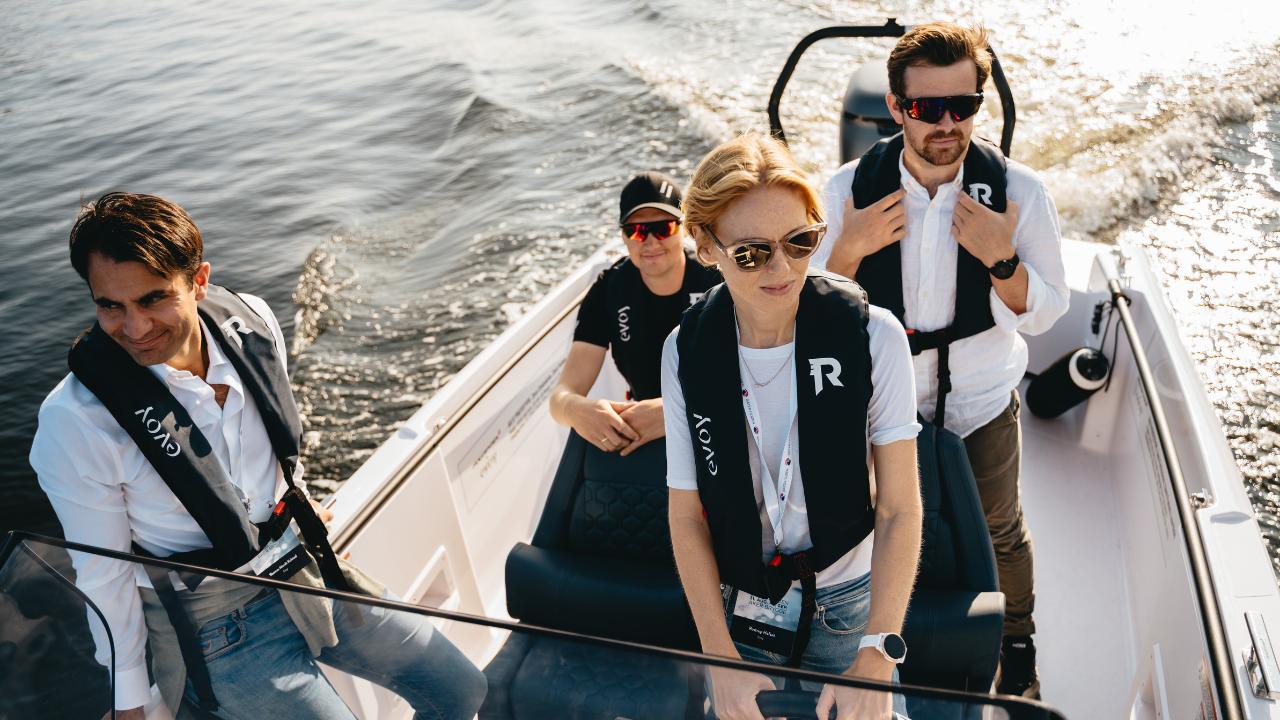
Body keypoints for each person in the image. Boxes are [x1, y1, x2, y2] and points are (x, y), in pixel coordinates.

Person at [29, 192, 487, 719]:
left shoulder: (254, 325)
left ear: (198, 281)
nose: (134, 328)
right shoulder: (76, 420)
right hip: (216, 626)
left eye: (153, 299)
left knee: (461, 690)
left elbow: (268, 447)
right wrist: (130, 700)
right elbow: (103, 574)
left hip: (304, 569)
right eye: (110, 305)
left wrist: (300, 505)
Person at [813, 23, 1070, 698]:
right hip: (875, 407)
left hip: (981, 400)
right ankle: (869, 651)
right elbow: (802, 311)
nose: (947, 124)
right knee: (866, 530)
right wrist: (849, 250)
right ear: (896, 108)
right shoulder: (843, 195)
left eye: (964, 106)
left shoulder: (1019, 194)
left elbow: (1044, 314)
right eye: (928, 109)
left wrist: (1001, 257)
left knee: (1001, 529)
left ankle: (1017, 642)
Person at [664, 133, 923, 720]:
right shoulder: (684, 349)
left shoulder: (873, 335)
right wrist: (719, 658)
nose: (782, 268)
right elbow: (685, 515)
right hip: (743, 603)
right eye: (753, 253)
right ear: (705, 246)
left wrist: (879, 652)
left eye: (801, 242)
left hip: (851, 604)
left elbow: (900, 508)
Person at [550, 171, 721, 455]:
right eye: (637, 231)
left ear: (683, 228)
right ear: (624, 237)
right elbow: (561, 396)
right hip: (641, 431)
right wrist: (576, 409)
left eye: (663, 228)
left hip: (715, 421)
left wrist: (672, 411)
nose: (650, 242)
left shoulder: (717, 281)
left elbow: (754, 381)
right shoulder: (610, 290)